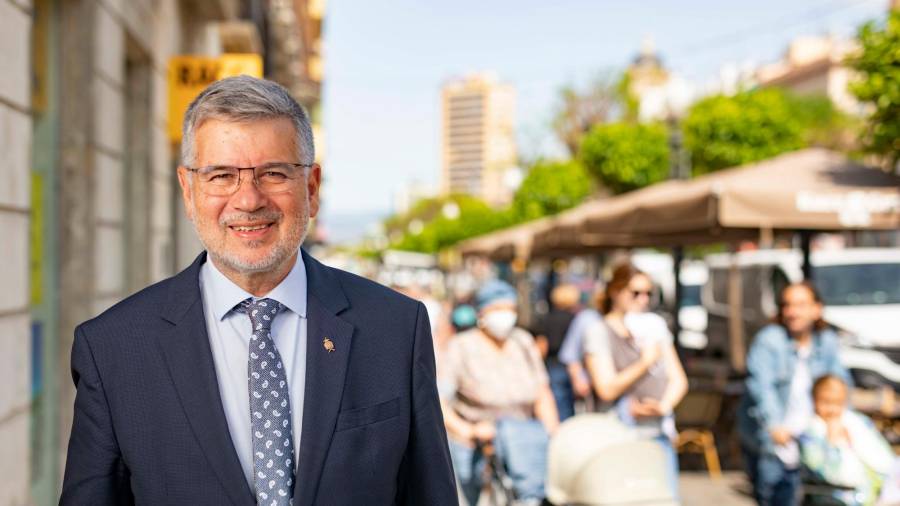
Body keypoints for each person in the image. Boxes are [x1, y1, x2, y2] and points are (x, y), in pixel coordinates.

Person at [60, 76, 457, 505]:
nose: (248, 200)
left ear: (311, 187)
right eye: (221, 176)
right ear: (189, 192)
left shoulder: (394, 329)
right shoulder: (113, 349)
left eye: (273, 173)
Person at [439, 280, 559, 506]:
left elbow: (542, 391)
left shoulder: (522, 341)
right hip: (478, 444)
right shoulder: (462, 346)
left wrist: (552, 432)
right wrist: (467, 430)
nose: (505, 315)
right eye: (497, 309)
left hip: (524, 441)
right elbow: (439, 399)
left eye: (510, 309)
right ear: (481, 312)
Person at [738, 282, 851, 506]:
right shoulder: (770, 339)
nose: (792, 312)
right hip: (774, 440)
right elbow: (761, 387)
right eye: (787, 305)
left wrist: (840, 417)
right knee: (777, 498)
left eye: (800, 304)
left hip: (811, 438)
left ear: (817, 309)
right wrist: (775, 426)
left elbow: (840, 382)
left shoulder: (825, 340)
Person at [581, 263, 688, 498]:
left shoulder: (654, 326)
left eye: (649, 293)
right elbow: (606, 389)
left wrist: (663, 406)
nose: (643, 299)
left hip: (657, 433)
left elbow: (679, 379)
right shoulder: (598, 331)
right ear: (615, 292)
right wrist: (645, 362)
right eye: (636, 293)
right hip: (619, 436)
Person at [800, 375, 894, 506]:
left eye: (838, 403)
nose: (832, 410)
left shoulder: (858, 422)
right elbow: (826, 474)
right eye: (826, 402)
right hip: (835, 499)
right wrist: (832, 442)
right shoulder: (810, 433)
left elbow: (886, 460)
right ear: (814, 400)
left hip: (875, 494)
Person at [533, 284, 580, 421]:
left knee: (557, 403)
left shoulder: (547, 318)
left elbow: (542, 346)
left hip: (553, 364)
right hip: (572, 366)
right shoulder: (575, 320)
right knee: (571, 403)